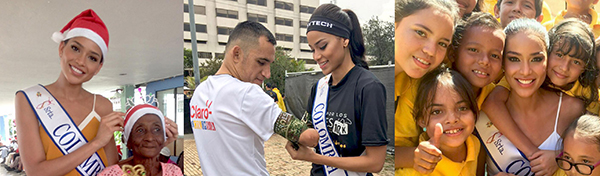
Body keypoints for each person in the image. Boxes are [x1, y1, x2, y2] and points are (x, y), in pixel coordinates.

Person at [14, 9, 178, 176]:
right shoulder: (29, 99)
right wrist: (96, 142)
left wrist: (155, 147)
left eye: (92, 58)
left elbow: (114, 169)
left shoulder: (102, 106)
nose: (80, 61)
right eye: (75, 48)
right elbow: (35, 172)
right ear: (61, 48)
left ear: (99, 67)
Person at [189, 21, 319, 176]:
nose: (267, 73)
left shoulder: (199, 94)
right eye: (261, 62)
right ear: (236, 54)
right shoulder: (246, 93)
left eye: (269, 64)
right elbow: (309, 138)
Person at [482, 18, 598, 175]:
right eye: (514, 59)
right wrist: (533, 153)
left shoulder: (575, 107)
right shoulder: (482, 108)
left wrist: (560, 155)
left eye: (536, 59)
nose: (525, 71)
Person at [285, 3, 388, 176]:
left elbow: (375, 162)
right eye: (312, 49)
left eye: (322, 46)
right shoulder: (318, 88)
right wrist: (296, 136)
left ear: (344, 40)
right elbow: (310, 133)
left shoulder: (369, 88)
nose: (316, 56)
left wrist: (315, 157)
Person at [394, 0, 461, 169]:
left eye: (442, 44)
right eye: (421, 33)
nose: (431, 51)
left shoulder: (421, 84)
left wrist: (415, 155)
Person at [397, 67, 481, 175]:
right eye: (437, 112)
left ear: (474, 111)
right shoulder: (415, 172)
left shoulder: (473, 143)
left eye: (462, 108)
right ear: (421, 120)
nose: (452, 119)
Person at [98, 104, 182, 176]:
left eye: (156, 130)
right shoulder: (110, 174)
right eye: (140, 130)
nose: (150, 138)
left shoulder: (174, 172)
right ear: (128, 141)